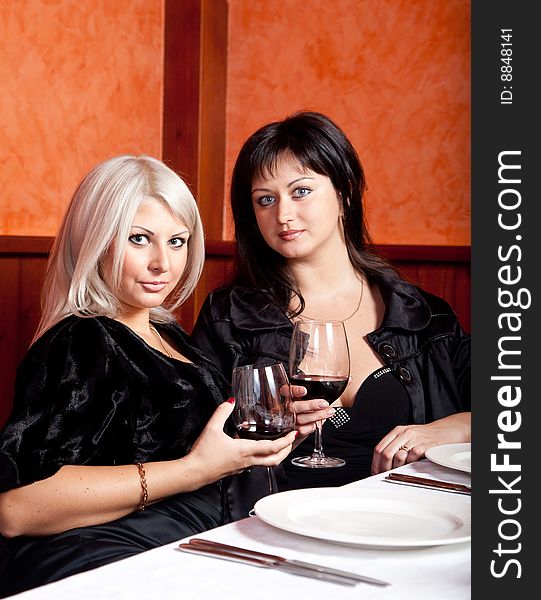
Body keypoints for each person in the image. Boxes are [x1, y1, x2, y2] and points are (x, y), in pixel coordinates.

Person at [0, 154, 297, 597]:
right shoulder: (83, 339)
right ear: (95, 241)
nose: (163, 263)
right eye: (139, 239)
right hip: (101, 558)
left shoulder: (166, 332)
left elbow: (188, 442)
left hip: (188, 541)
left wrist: (265, 431)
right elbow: (18, 507)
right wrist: (193, 470)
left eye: (177, 241)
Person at [192, 111, 471, 493]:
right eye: (265, 199)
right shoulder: (228, 318)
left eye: (301, 191)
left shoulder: (423, 315)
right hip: (273, 520)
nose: (283, 214)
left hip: (410, 519)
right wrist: (269, 436)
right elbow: (194, 446)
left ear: (345, 193)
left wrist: (459, 425)